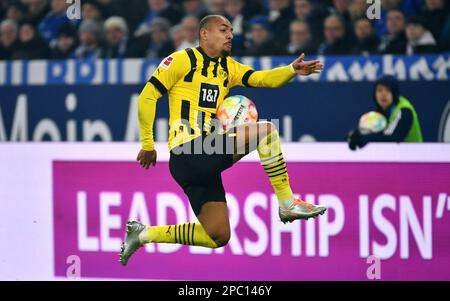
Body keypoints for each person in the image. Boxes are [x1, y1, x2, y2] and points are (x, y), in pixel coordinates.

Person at [119, 15, 326, 265]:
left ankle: (143, 233)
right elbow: (147, 97)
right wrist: (148, 144)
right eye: (223, 29)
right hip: (188, 151)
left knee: (217, 234)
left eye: (231, 30)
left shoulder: (228, 67)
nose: (230, 35)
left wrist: (292, 70)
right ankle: (287, 203)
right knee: (267, 131)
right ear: (204, 34)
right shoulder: (181, 60)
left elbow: (262, 79)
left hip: (203, 157)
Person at [347, 75, 423, 151]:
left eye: (388, 90)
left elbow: (393, 137)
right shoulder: (382, 112)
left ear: (394, 93)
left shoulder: (404, 110)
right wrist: (356, 135)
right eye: (380, 90)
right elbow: (376, 134)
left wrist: (364, 138)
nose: (383, 94)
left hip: (415, 158)